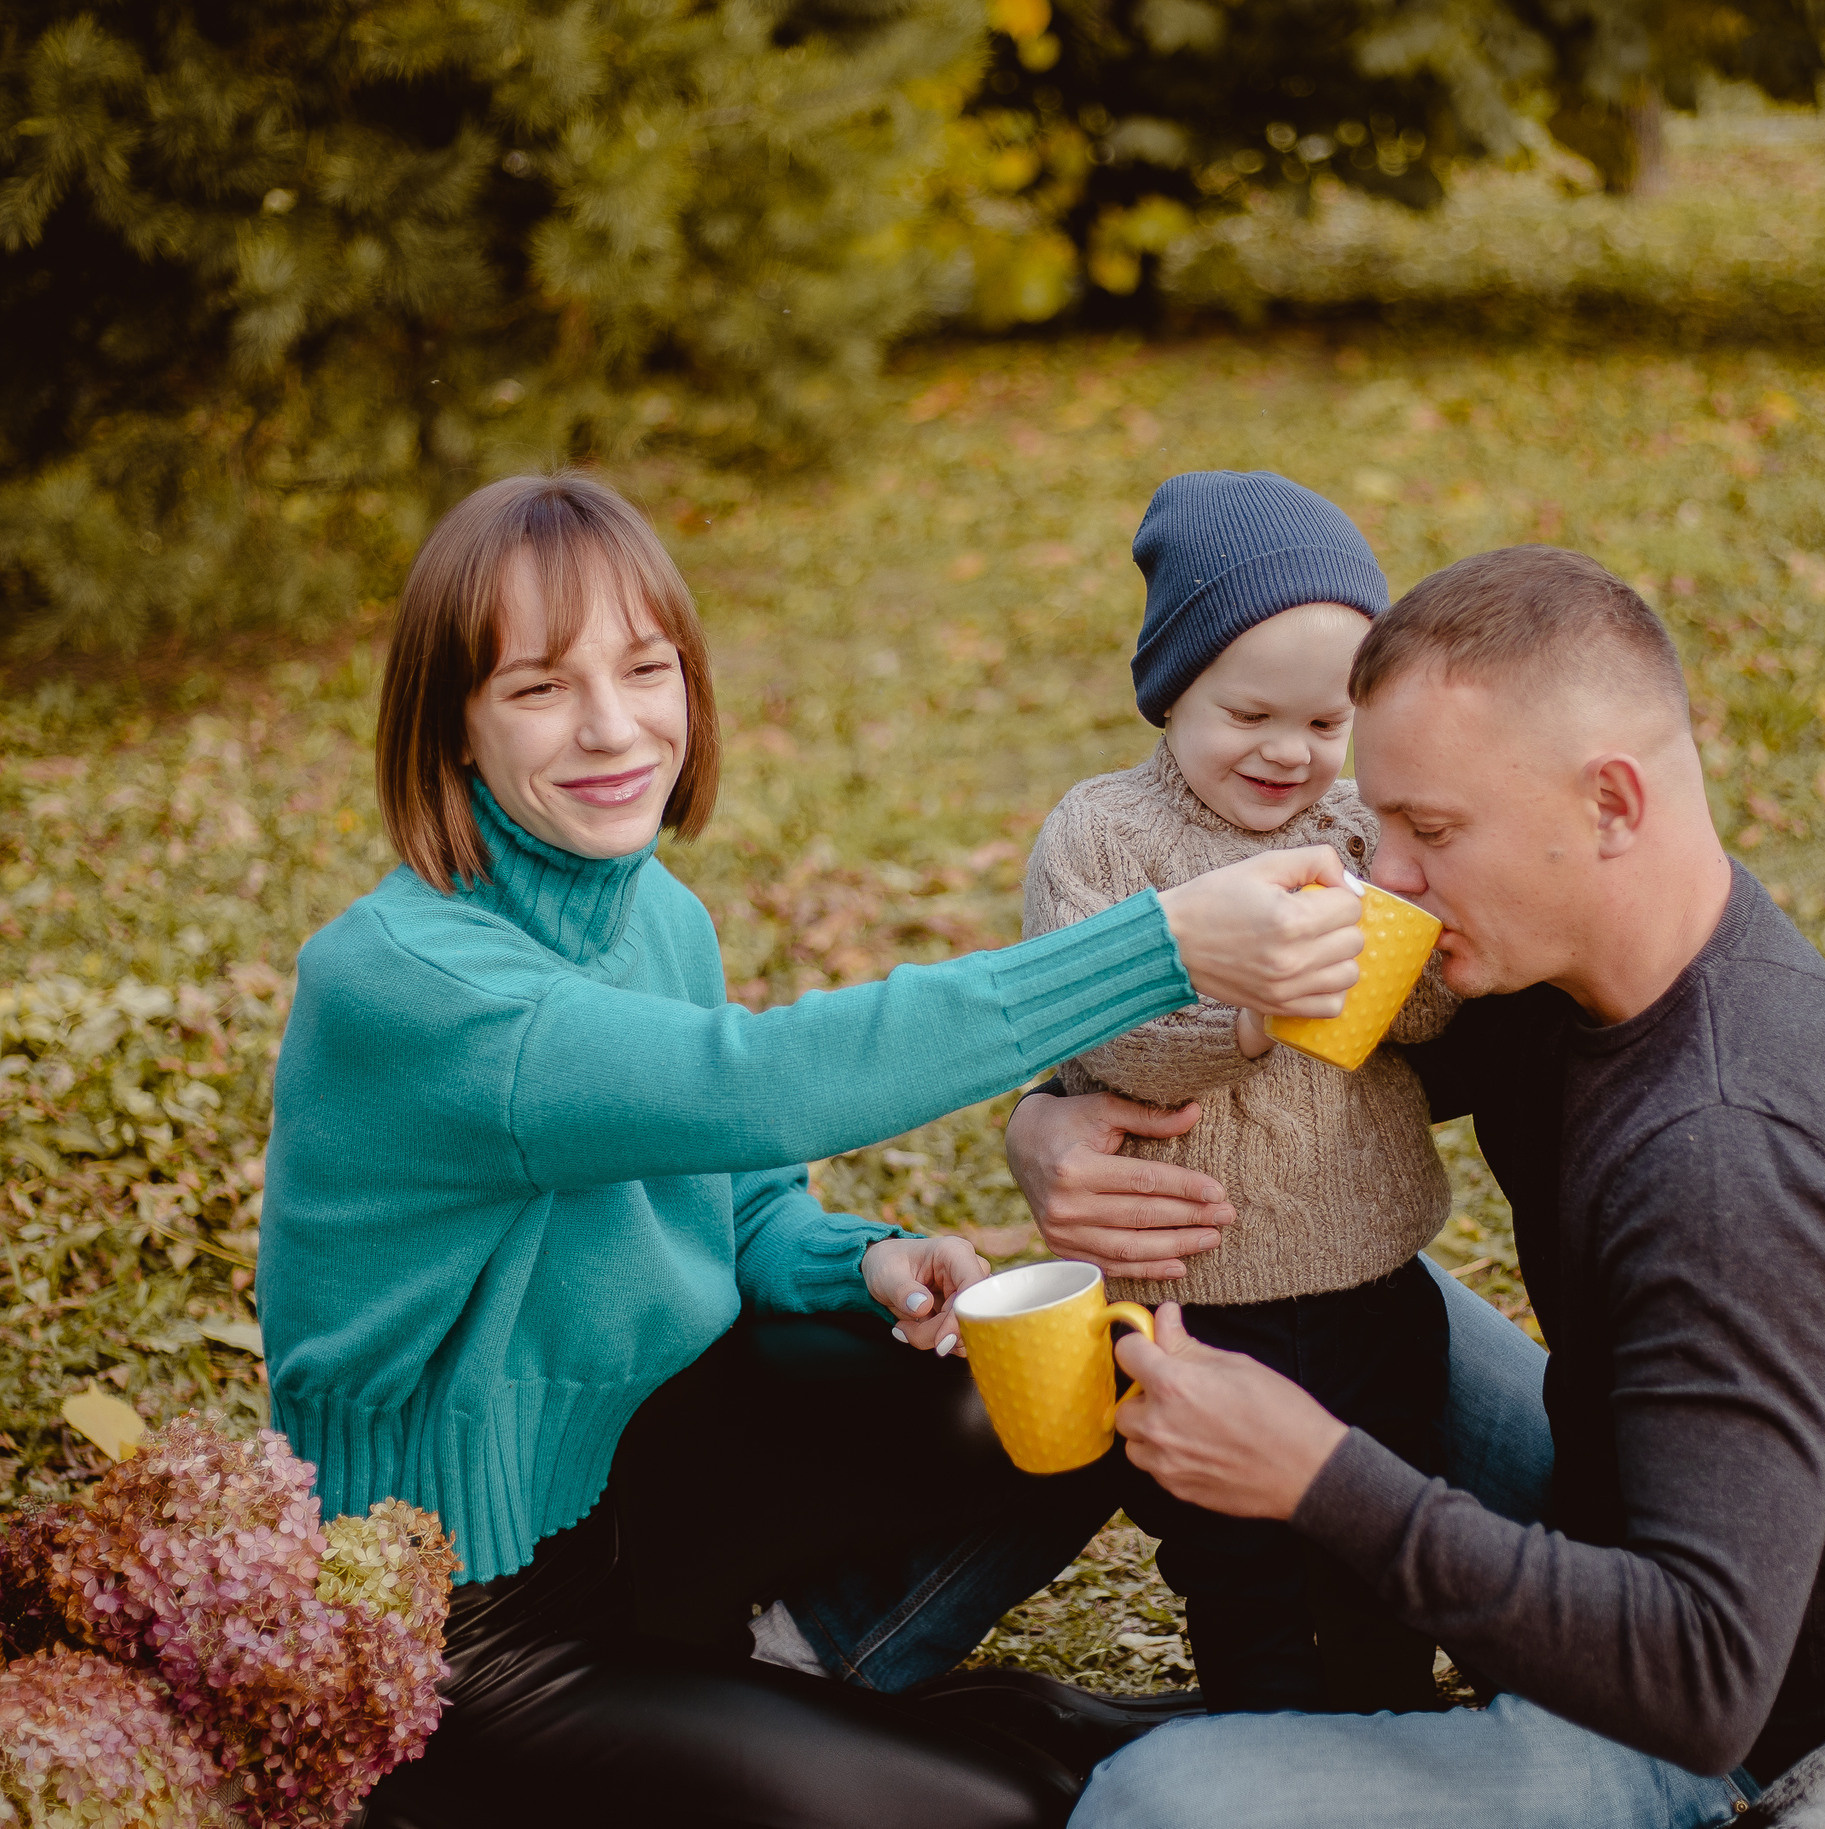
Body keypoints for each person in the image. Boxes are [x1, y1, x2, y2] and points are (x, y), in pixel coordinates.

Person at [262, 471, 1373, 1829]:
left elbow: (736, 1199)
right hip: (464, 1636)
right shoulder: (412, 986)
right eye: (540, 687)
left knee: (1067, 1382)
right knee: (1002, 1812)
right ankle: (850, 1723)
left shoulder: (648, 913)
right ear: (454, 726)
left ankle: (813, 1682)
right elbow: (759, 1086)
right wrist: (1164, 947)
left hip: (649, 1496)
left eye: (648, 668)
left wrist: (863, 1262)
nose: (615, 727)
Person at [1007, 546, 1825, 1829]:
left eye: (1431, 830)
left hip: (1778, 1739)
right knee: (1328, 1277)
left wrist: (1317, 1471)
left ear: (1612, 803)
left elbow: (1705, 1677)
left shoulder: (1726, 1152)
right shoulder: (1576, 968)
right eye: (1380, 821)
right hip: (1655, 1510)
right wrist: (1045, 1120)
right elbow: (1299, 1096)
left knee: (1153, 1802)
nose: (1384, 875)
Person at [1021, 471, 1456, 1715]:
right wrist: (1249, 1008)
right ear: (1171, 691)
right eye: (1248, 711)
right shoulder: (1103, 838)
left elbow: (1427, 1016)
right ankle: (1267, 1742)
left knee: (1380, 1532)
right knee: (1236, 1560)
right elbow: (1103, 1038)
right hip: (1199, 1290)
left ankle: (1389, 1732)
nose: (1288, 753)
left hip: (1371, 1268)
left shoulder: (1365, 824)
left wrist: (1401, 956)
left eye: (1326, 723)